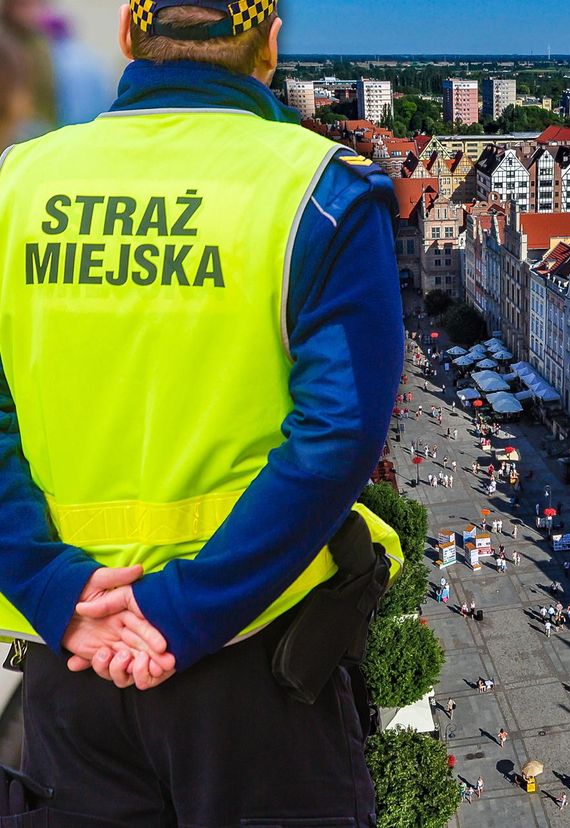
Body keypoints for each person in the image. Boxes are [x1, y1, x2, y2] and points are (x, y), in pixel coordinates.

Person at [0, 1, 406, 825]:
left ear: (127, 35)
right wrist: (183, 613)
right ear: (270, 46)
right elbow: (339, 432)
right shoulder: (319, 193)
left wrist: (55, 588)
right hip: (257, 667)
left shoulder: (15, 185)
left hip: (65, 668)